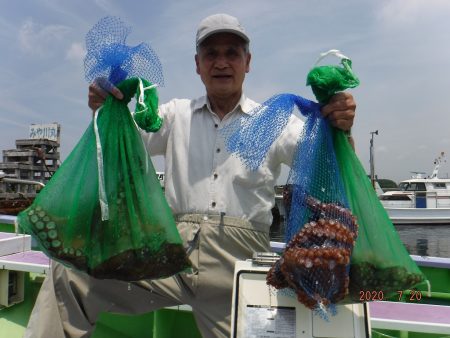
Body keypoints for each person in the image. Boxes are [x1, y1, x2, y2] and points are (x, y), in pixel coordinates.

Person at [24, 13, 356, 338]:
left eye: (232, 53)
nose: (221, 62)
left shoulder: (275, 121)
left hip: (239, 265)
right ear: (198, 64)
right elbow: (121, 142)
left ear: (248, 62)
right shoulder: (174, 115)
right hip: (171, 259)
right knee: (71, 272)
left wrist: (341, 129)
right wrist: (107, 108)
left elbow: (329, 169)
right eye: (211, 54)